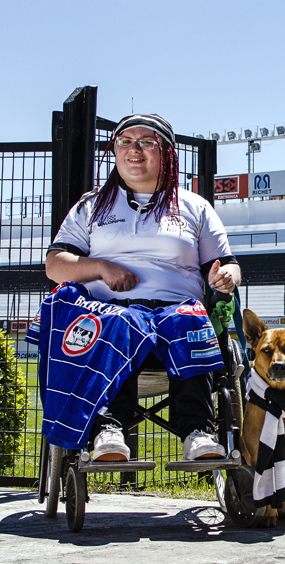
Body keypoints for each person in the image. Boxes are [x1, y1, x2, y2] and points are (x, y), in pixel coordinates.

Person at [45, 113, 241, 462]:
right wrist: (100, 267)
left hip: (175, 314)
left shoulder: (194, 206)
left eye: (146, 142)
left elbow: (228, 264)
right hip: (111, 315)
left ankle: (198, 431)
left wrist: (226, 276)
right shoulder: (91, 206)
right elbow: (55, 265)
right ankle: (107, 428)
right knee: (122, 323)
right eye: (125, 142)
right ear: (115, 151)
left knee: (191, 320)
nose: (134, 149)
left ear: (167, 153)